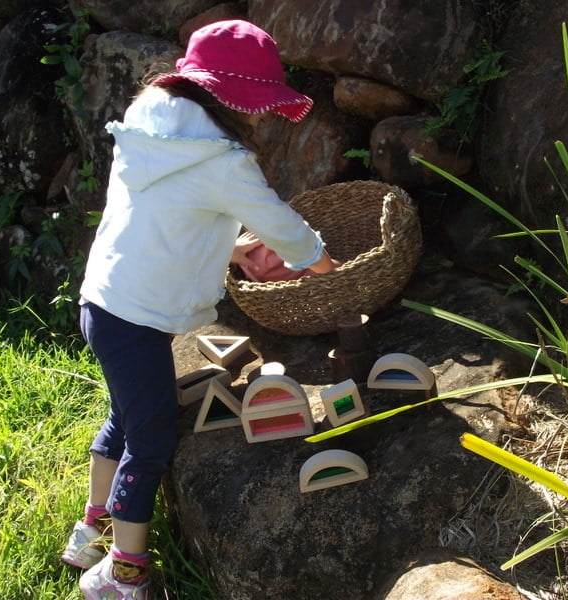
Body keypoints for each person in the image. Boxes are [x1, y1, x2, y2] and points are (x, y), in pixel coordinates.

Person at [60, 19, 339, 599]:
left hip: (107, 300)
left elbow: (167, 214)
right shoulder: (222, 159)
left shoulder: (152, 122)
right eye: (258, 104)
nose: (261, 115)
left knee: (126, 416)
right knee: (152, 437)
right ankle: (122, 573)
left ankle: (90, 526)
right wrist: (323, 266)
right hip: (135, 319)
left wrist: (232, 249)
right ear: (230, 96)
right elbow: (280, 224)